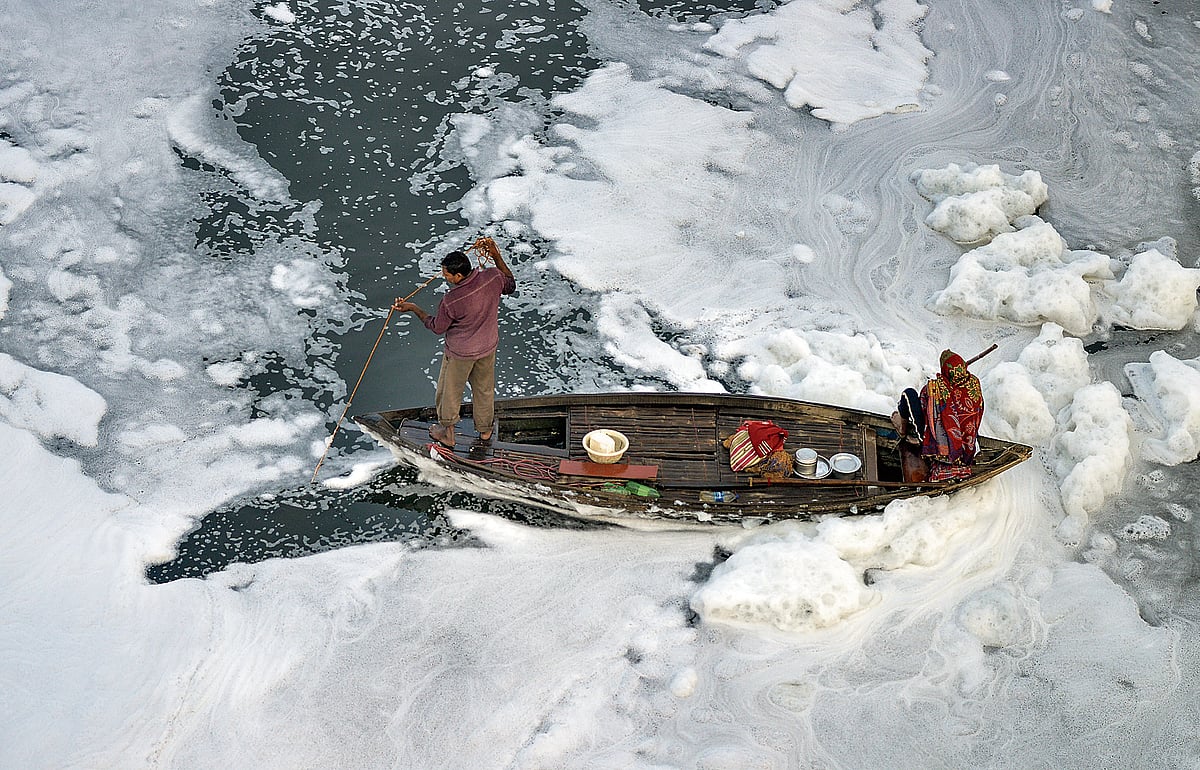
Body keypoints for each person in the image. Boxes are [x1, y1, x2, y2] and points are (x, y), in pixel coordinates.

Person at [393, 238, 516, 448]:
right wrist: (495, 254)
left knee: (449, 392)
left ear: (458, 275)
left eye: (447, 274)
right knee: (484, 390)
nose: (444, 276)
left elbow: (437, 327)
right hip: (487, 347)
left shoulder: (452, 300)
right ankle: (485, 431)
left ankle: (448, 433)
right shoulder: (493, 277)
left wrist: (414, 308)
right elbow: (510, 284)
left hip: (460, 354)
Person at [892, 349, 984, 481]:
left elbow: (925, 405)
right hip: (967, 447)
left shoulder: (936, 388)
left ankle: (904, 429)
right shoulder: (974, 383)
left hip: (943, 450)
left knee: (909, 394)